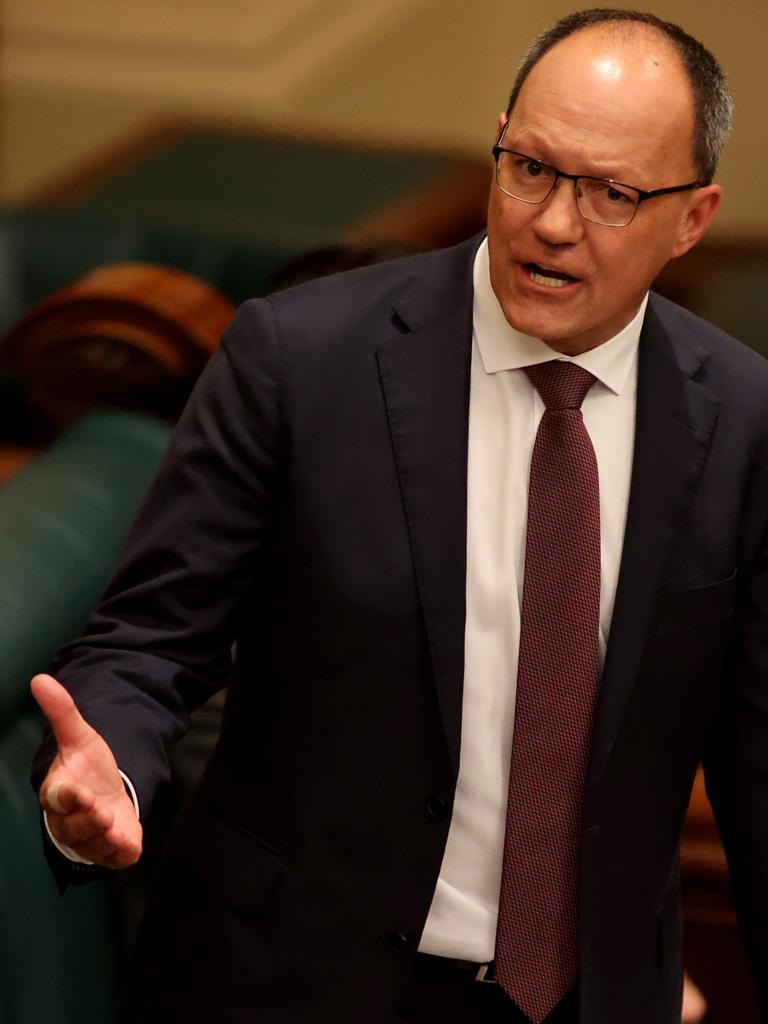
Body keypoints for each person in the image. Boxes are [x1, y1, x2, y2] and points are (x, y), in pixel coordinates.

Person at [30, 9, 768, 1024]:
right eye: (531, 168)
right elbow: (149, 641)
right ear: (498, 143)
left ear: (693, 218)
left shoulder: (743, 419)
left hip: (593, 997)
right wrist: (106, 760)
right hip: (288, 984)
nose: (554, 221)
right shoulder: (299, 359)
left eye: (612, 193)